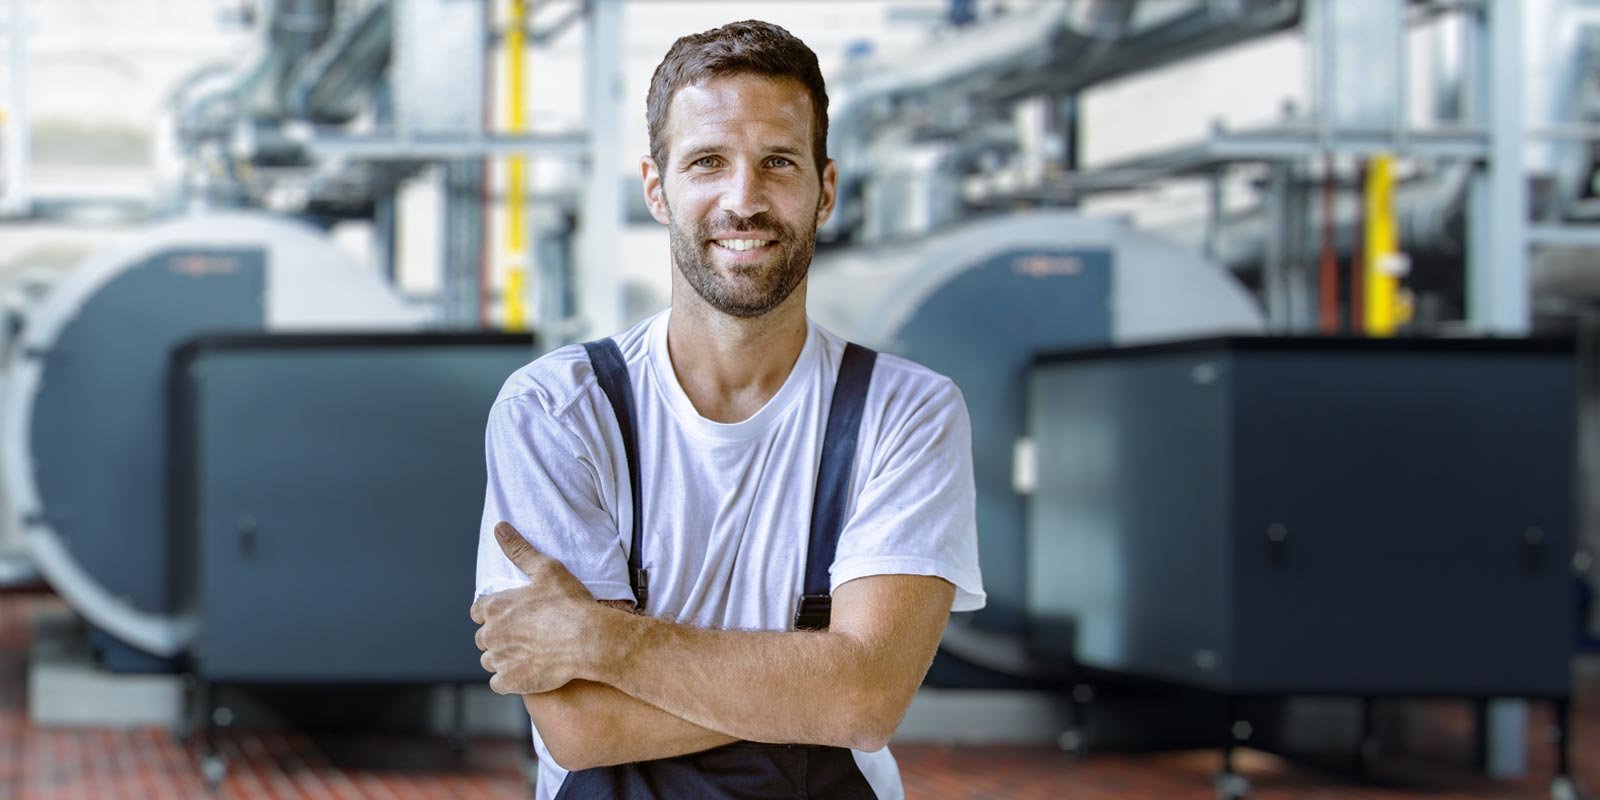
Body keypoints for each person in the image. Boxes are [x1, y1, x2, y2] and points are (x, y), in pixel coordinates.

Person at [470, 20, 983, 800]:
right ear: (656, 188)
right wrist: (815, 677)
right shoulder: (557, 410)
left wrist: (601, 638)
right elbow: (582, 728)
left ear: (826, 189)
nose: (744, 200)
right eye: (707, 162)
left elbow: (867, 701)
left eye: (778, 162)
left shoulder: (905, 413)